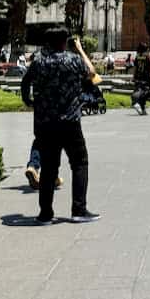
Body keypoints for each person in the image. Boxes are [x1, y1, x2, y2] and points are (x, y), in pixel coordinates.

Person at [21, 29, 100, 224]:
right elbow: (91, 73)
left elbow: (25, 82)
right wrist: (80, 50)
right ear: (65, 42)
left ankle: (45, 213)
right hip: (70, 121)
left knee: (48, 168)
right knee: (79, 163)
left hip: (45, 122)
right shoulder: (73, 60)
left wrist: (28, 101)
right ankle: (79, 209)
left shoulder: (38, 61)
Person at [131, 42, 150, 115]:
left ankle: (142, 108)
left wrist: (133, 77)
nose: (148, 50)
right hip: (146, 78)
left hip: (138, 77)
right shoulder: (149, 58)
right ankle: (138, 104)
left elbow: (135, 68)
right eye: (147, 49)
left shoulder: (137, 57)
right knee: (148, 92)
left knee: (139, 91)